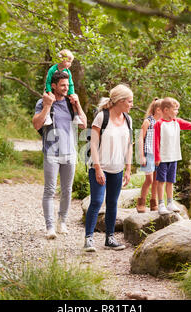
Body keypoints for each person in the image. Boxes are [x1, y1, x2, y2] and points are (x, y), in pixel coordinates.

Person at [32, 71, 87, 239]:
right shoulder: (43, 102)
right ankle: (49, 227)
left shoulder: (71, 104)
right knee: (49, 190)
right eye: (62, 85)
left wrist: (78, 105)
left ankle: (61, 221)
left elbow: (84, 125)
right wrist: (48, 105)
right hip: (51, 152)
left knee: (67, 190)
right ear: (54, 86)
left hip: (70, 152)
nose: (66, 88)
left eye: (67, 85)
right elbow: (36, 125)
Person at [84, 84, 133, 252]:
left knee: (112, 203)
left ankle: (110, 238)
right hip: (100, 166)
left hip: (118, 168)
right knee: (97, 201)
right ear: (120, 101)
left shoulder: (128, 119)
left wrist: (128, 169)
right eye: (129, 101)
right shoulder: (101, 117)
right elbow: (94, 144)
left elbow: (129, 145)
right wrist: (97, 169)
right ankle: (89, 239)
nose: (131, 104)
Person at [136, 98, 163, 213]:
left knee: (157, 180)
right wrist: (141, 155)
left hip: (159, 155)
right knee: (149, 179)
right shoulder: (148, 122)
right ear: (158, 110)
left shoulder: (162, 122)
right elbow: (140, 139)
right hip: (149, 154)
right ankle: (141, 202)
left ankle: (153, 202)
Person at [43, 49, 83, 126]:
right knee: (47, 98)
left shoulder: (68, 72)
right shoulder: (52, 69)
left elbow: (70, 84)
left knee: (73, 99)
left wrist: (71, 93)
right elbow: (48, 82)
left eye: (71, 62)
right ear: (61, 60)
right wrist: (49, 92)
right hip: (50, 88)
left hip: (64, 89)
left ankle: (76, 116)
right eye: (68, 62)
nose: (70, 64)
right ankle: (47, 116)